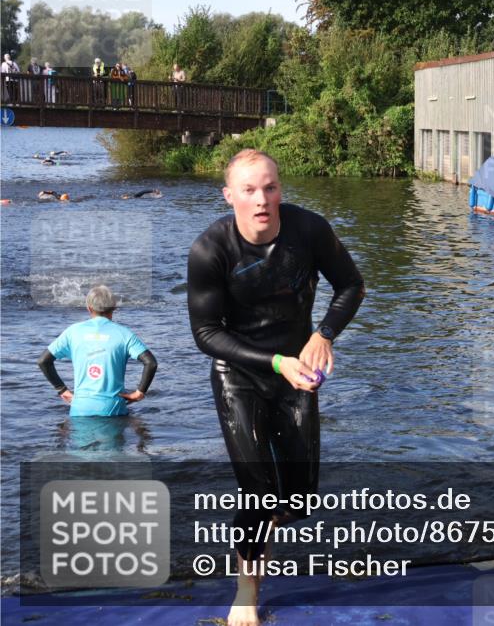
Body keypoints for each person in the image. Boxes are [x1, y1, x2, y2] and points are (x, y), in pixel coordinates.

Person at [187, 149, 364, 626]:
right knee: (258, 488)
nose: (262, 199)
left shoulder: (310, 231)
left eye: (270, 187)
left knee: (299, 497)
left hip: (297, 371)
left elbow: (352, 285)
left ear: (280, 190)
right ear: (230, 196)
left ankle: (262, 521)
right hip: (239, 373)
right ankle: (247, 591)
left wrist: (323, 334)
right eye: (249, 190)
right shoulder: (211, 250)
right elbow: (206, 334)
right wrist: (276, 361)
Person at [38, 285, 157, 417]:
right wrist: (139, 393)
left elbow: (43, 361)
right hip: (113, 410)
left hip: (80, 410)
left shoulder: (73, 332)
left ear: (89, 308)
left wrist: (62, 390)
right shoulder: (124, 334)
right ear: (114, 308)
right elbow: (150, 363)